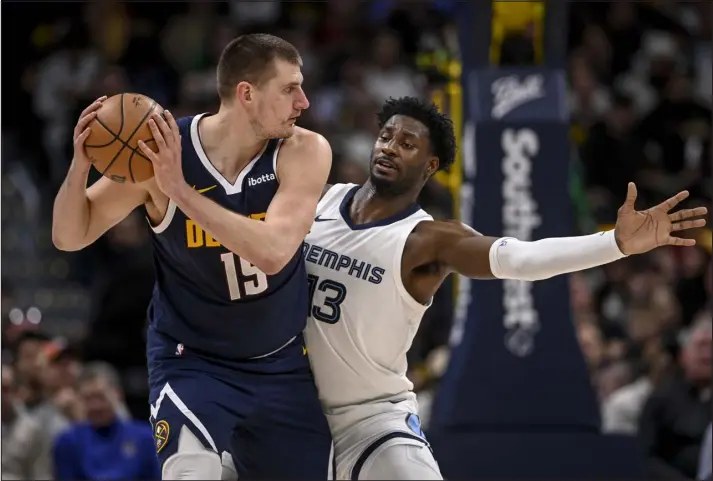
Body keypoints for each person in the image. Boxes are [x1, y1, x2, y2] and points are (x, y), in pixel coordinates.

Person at [302, 96, 708, 480]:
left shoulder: (429, 238)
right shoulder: (322, 201)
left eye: (407, 144)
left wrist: (615, 244)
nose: (389, 148)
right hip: (292, 405)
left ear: (430, 165)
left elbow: (520, 259)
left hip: (372, 421)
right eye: (386, 136)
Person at [52, 33, 333, 480]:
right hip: (192, 360)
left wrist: (179, 192)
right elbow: (70, 235)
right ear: (246, 94)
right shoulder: (161, 149)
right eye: (289, 88)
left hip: (280, 361)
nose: (303, 101)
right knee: (190, 473)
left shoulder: (304, 150)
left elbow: (274, 252)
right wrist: (80, 165)